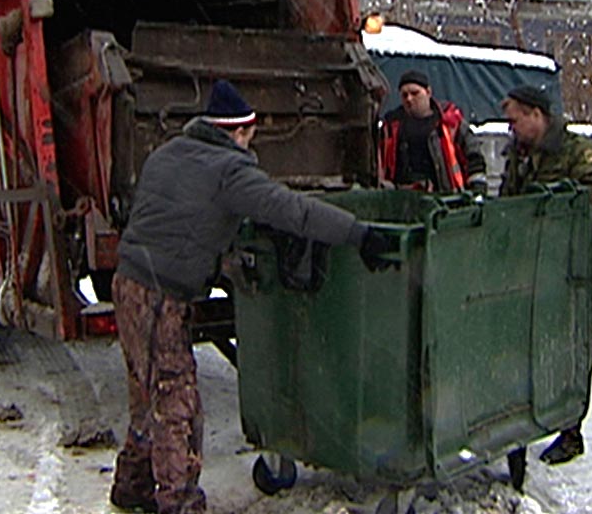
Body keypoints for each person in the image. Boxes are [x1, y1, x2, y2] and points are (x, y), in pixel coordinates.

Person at [109, 79, 391, 514]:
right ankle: (179, 503)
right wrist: (358, 233)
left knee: (146, 396)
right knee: (177, 404)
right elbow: (291, 209)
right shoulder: (230, 170)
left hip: (128, 283)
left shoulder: (167, 153)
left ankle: (131, 490)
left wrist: (220, 258)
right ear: (239, 132)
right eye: (250, 135)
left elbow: (179, 220)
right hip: (162, 296)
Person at [498, 83, 592, 466]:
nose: (511, 128)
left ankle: (571, 429)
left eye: (516, 120)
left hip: (567, 268)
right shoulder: (520, 154)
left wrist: (553, 212)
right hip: (527, 266)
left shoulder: (576, 151)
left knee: (569, 345)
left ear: (536, 115)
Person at [379, 69, 488, 192]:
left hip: (446, 196)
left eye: (415, 93)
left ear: (428, 92)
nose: (409, 99)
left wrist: (477, 186)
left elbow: (473, 154)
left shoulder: (449, 121)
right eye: (405, 95)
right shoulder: (391, 128)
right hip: (402, 199)